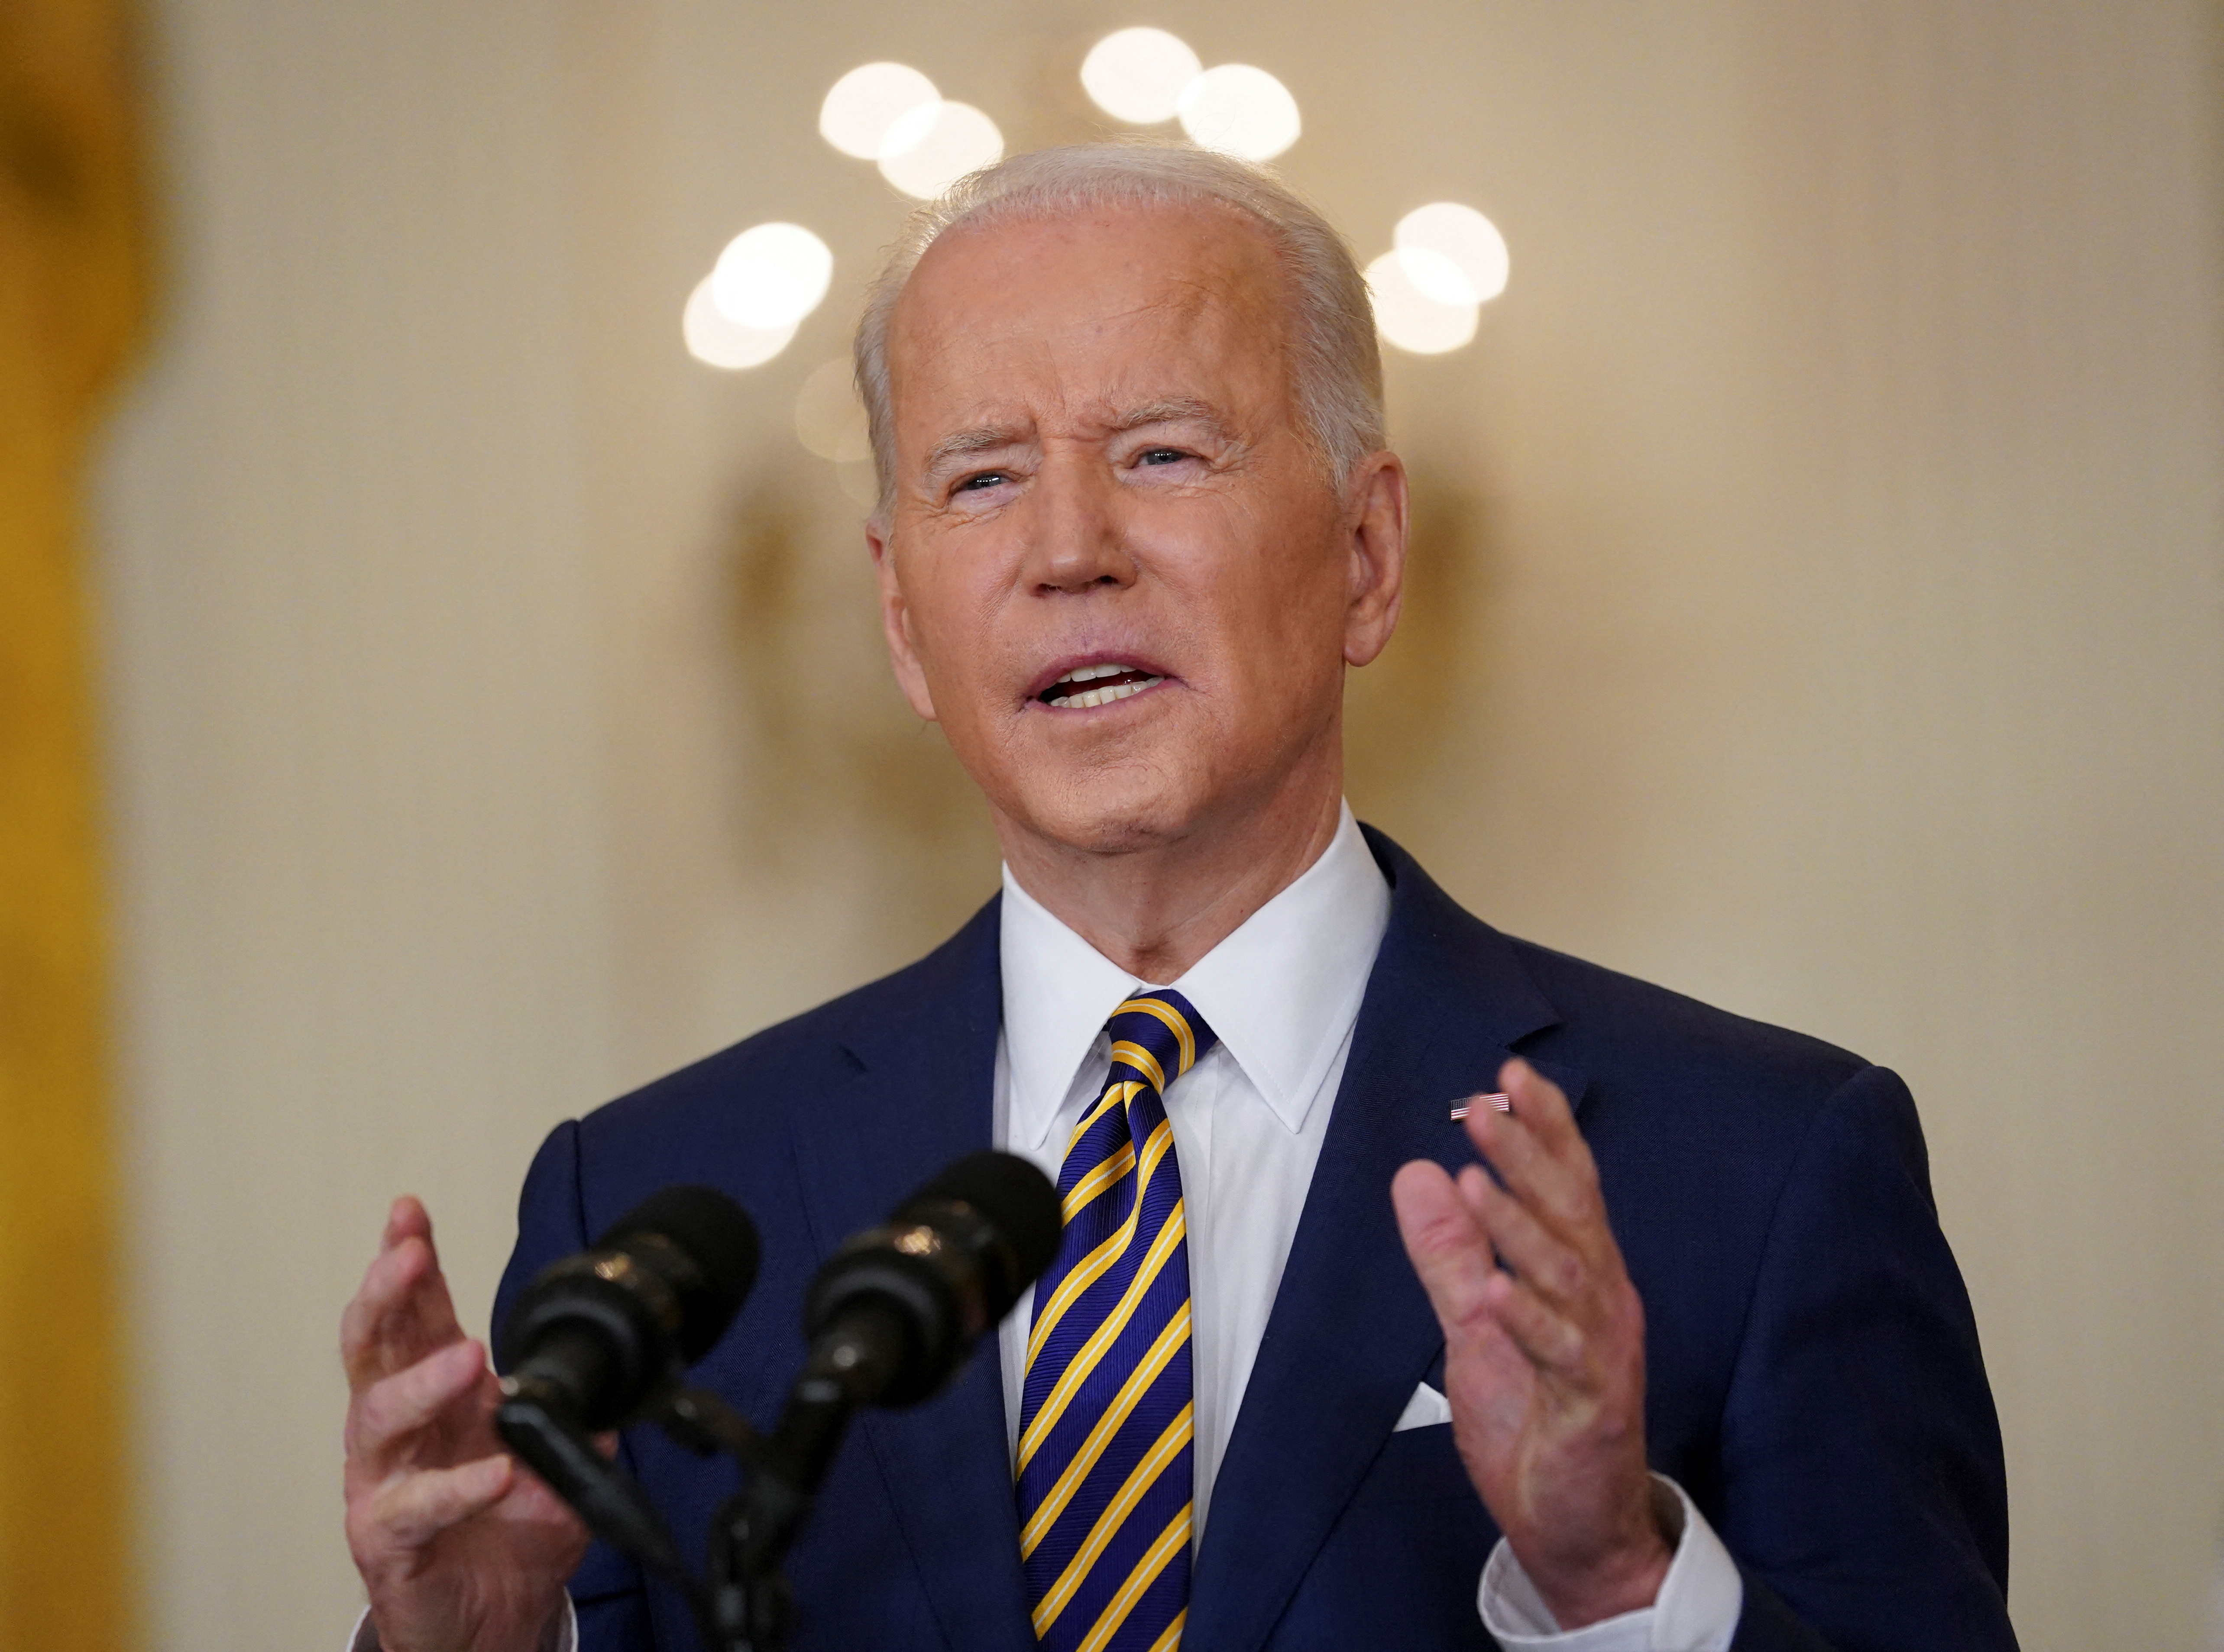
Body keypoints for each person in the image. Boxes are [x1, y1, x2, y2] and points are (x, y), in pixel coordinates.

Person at [340, 142, 2015, 1652]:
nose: (1070, 549)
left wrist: (1618, 1584)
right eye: (981, 478)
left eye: (1162, 452)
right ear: (905, 621)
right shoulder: (649, 1207)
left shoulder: (1763, 1166)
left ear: (1365, 554)